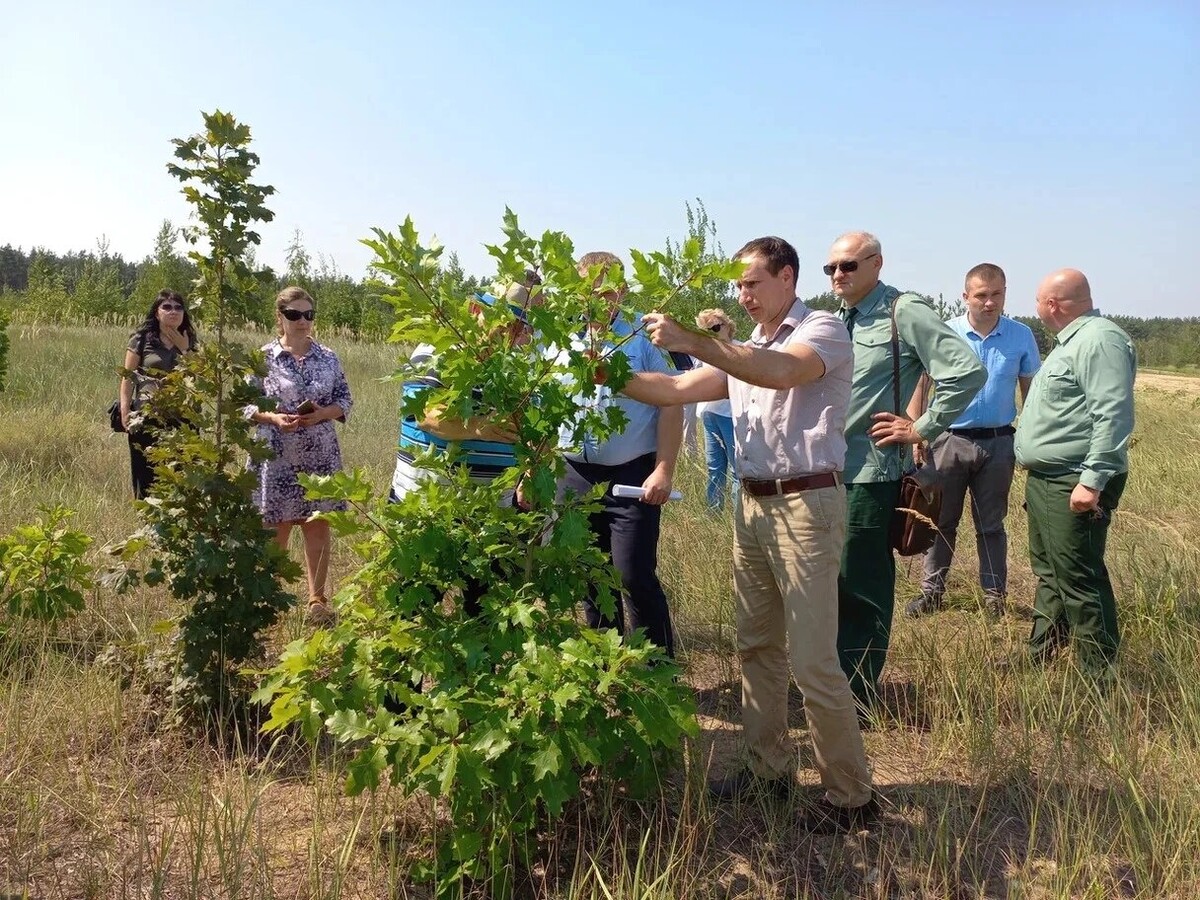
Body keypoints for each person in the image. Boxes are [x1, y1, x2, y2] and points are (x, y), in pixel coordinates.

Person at [621, 236, 877, 833]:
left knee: (813, 660)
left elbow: (783, 373)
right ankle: (769, 771)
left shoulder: (822, 331)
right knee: (756, 644)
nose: (744, 296)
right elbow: (679, 390)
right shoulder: (746, 347)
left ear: (787, 276)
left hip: (808, 505)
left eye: (754, 283)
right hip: (754, 505)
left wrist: (691, 340)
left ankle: (851, 796)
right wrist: (610, 375)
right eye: (738, 286)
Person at [827, 231, 986, 711]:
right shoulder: (837, 320)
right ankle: (832, 686)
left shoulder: (903, 311)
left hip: (872, 473)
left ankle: (857, 694)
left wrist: (922, 427)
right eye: (831, 268)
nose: (838, 275)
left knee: (861, 581)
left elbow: (966, 370)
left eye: (849, 265)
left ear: (877, 263)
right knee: (830, 580)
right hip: (828, 469)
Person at [558, 251, 683, 658]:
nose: (595, 296)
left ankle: (657, 672)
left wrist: (663, 469)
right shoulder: (558, 336)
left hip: (632, 475)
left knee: (633, 575)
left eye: (605, 288)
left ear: (622, 290)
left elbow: (672, 401)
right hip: (573, 474)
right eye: (586, 289)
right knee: (590, 576)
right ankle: (605, 668)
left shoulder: (644, 336)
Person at [1014, 269, 1135, 678]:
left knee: (1080, 578)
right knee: (1051, 573)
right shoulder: (1073, 342)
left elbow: (1113, 414)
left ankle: (1098, 677)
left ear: (1050, 305)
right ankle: (1041, 656)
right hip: (1051, 479)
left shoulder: (1099, 340)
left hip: (1074, 478)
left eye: (1036, 301)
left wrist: (1092, 479)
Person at [905, 264, 1042, 618]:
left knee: (991, 524)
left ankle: (994, 598)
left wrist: (1029, 439)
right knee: (939, 521)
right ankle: (931, 593)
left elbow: (1031, 393)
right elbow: (922, 384)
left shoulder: (1020, 335)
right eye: (981, 295)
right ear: (965, 296)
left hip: (998, 443)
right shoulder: (944, 333)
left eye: (997, 294)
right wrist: (917, 432)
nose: (990, 302)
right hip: (947, 440)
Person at [247, 287, 353, 625]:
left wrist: (322, 414)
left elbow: (345, 400)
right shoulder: (262, 358)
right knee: (274, 528)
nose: (302, 321)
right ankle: (269, 598)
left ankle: (317, 601)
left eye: (308, 314)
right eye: (294, 314)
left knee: (317, 526)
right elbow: (245, 405)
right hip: (276, 456)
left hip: (319, 456)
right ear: (279, 317)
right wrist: (273, 418)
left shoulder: (329, 357)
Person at [118, 290, 198, 499]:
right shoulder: (142, 339)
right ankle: (148, 525)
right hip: (147, 415)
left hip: (182, 418)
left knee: (183, 478)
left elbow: (200, 375)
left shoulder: (190, 339)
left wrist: (184, 348)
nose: (173, 311)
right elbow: (128, 377)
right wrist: (125, 410)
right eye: (167, 307)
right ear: (156, 313)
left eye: (178, 307)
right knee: (146, 475)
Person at [693, 308, 739, 511]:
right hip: (709, 413)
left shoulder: (741, 350)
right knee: (714, 467)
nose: (712, 333)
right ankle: (714, 511)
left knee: (737, 469)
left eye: (715, 327)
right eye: (706, 331)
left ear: (727, 326)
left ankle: (740, 514)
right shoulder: (703, 354)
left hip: (732, 415)